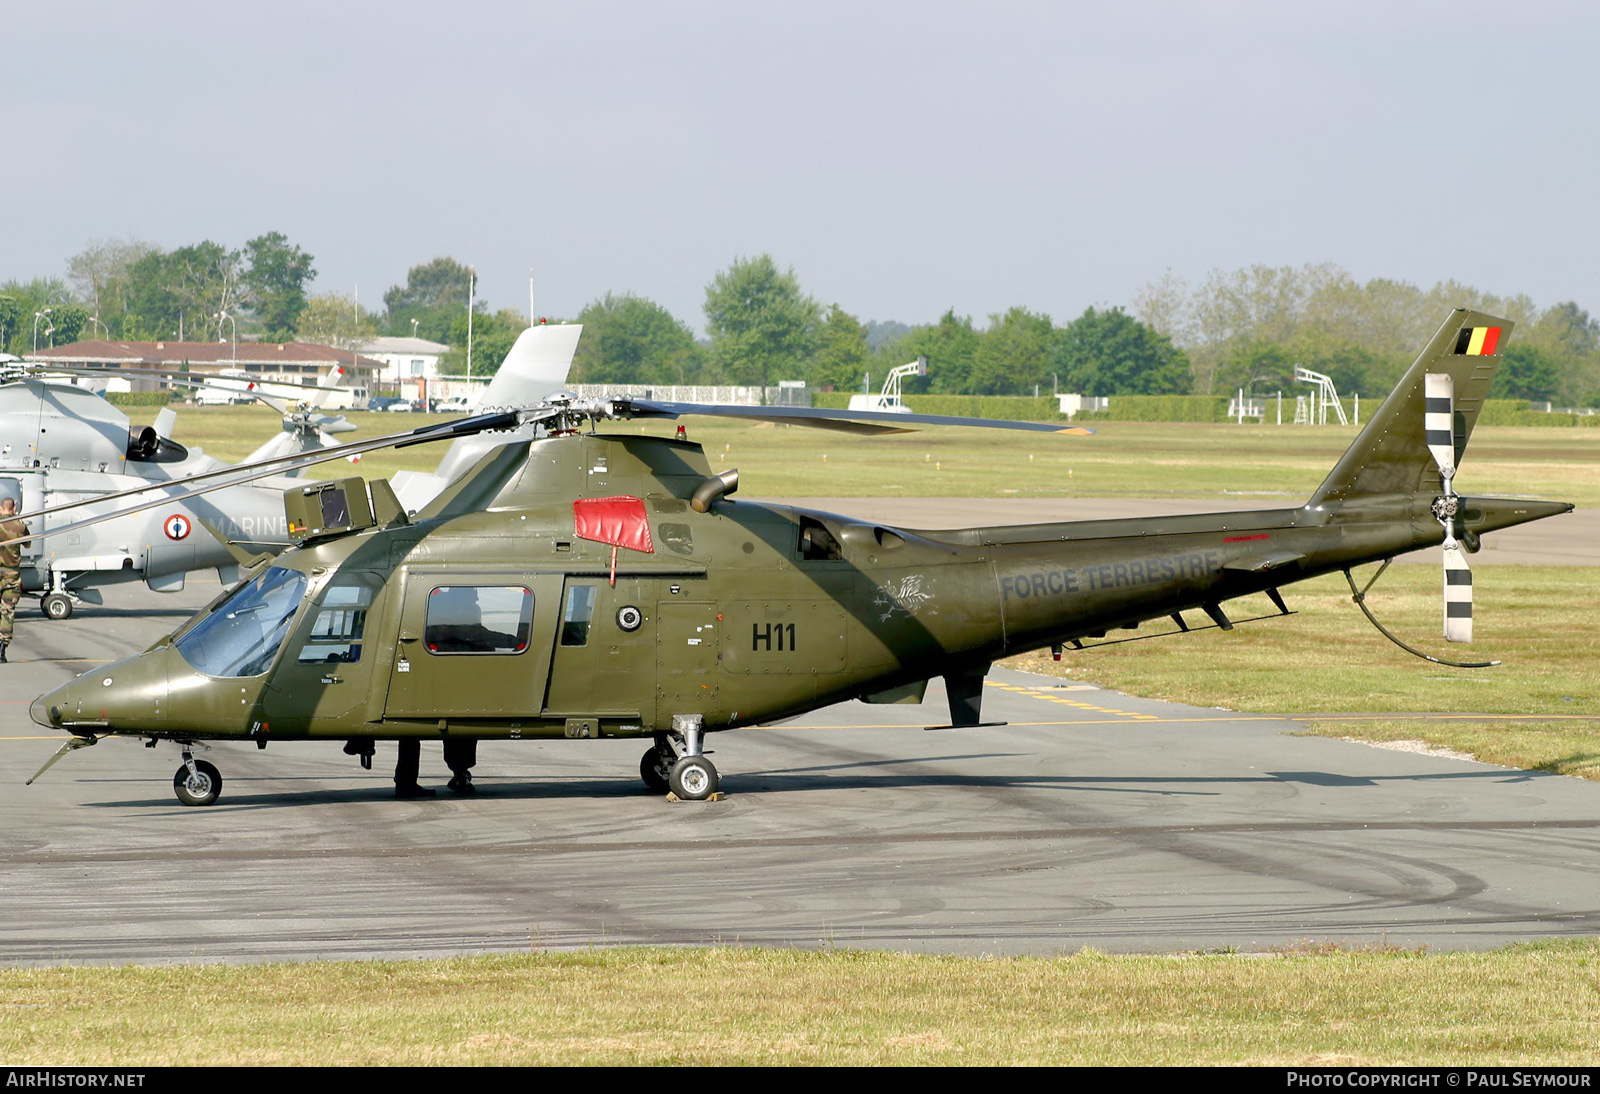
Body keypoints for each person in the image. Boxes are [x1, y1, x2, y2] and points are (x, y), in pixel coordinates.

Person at [0, 496, 31, 665]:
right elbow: (27, 544)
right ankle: (2, 649)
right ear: (13, 509)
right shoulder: (19, 525)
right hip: (11, 575)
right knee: (7, 611)